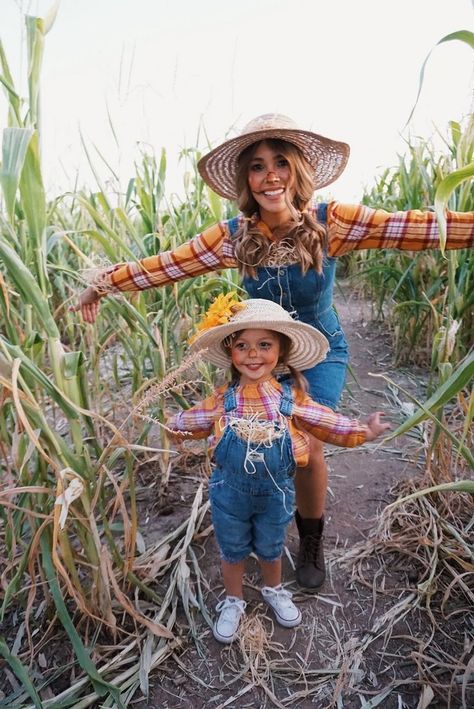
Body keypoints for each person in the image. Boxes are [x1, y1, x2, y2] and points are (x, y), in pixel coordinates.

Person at [74, 113, 474, 591]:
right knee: (255, 439)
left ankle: (310, 539)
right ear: (246, 179)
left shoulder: (334, 223)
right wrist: (102, 284)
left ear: (299, 171)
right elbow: (166, 266)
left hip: (319, 349)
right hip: (260, 354)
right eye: (258, 166)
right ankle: (257, 525)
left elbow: (413, 228)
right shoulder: (233, 237)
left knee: (306, 439)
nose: (271, 176)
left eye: (281, 163)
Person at [165, 296, 390, 643]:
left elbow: (326, 422)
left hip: (276, 493)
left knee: (271, 546)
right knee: (232, 548)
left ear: (281, 353)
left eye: (264, 345)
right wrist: (172, 424)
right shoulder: (223, 399)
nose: (253, 354)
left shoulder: (291, 399)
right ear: (231, 353)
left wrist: (363, 430)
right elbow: (194, 421)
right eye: (242, 346)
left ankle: (273, 590)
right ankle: (234, 600)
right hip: (229, 492)